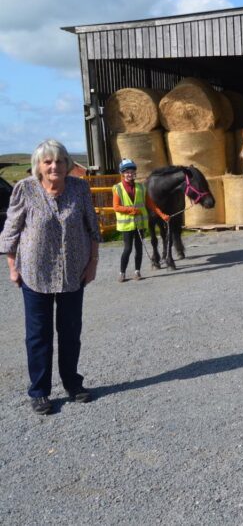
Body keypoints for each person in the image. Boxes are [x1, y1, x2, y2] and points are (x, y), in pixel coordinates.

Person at [0, 139, 101, 415]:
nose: (54, 166)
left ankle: (72, 383)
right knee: (38, 336)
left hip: (73, 273)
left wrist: (92, 263)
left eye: (59, 161)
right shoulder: (25, 189)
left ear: (67, 164)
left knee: (70, 333)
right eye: (48, 162)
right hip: (35, 274)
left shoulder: (79, 188)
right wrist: (12, 266)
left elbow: (92, 227)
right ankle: (40, 392)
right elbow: (11, 231)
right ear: (39, 166)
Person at [112, 158, 168, 282]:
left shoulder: (141, 187)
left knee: (139, 248)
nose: (130, 174)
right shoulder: (118, 188)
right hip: (126, 226)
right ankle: (122, 273)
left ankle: (137, 272)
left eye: (132, 171)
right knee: (128, 249)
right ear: (122, 173)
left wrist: (162, 214)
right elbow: (116, 207)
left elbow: (151, 204)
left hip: (140, 224)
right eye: (127, 172)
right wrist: (130, 210)